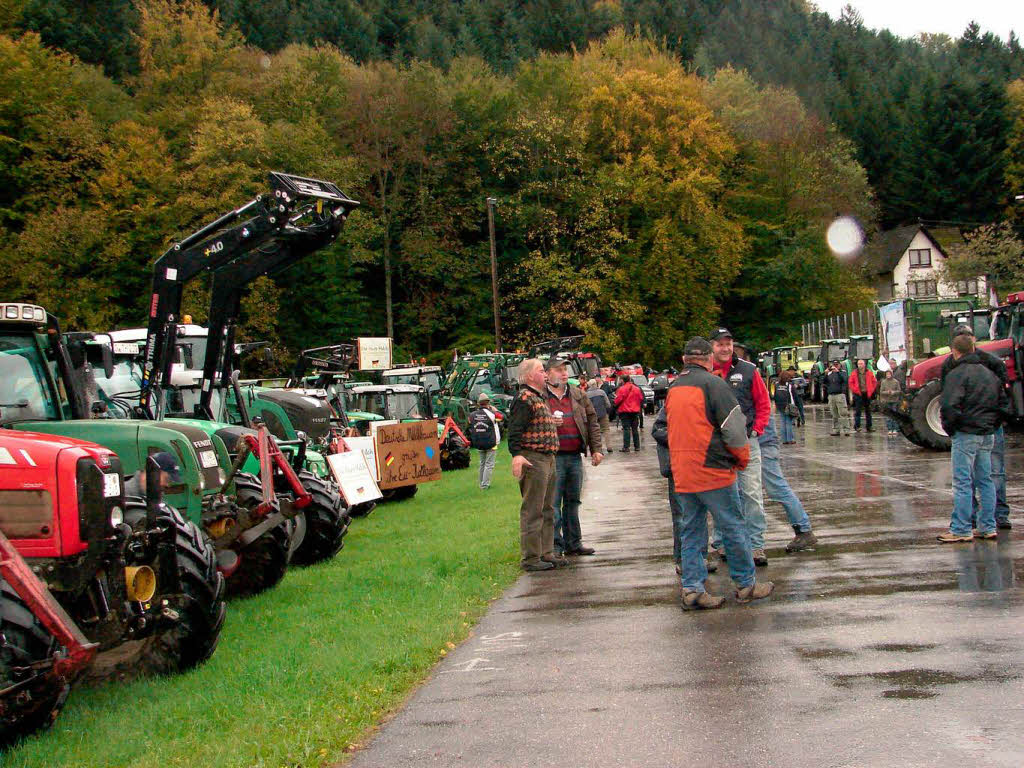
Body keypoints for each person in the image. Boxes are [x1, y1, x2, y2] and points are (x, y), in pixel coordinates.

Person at [659, 336, 773, 609]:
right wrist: (741, 459)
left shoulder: (674, 388)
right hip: (713, 469)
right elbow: (734, 429)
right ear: (709, 359)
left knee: (692, 531)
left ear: (684, 360)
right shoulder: (714, 385)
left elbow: (664, 429)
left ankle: (693, 589)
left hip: (683, 472)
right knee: (733, 527)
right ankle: (746, 585)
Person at [708, 328, 771, 567]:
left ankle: (756, 545)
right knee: (723, 496)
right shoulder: (706, 373)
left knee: (752, 494)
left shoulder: (748, 370)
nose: (725, 348)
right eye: (720, 344)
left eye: (729, 343)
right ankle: (722, 543)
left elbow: (763, 403)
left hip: (747, 443)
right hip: (718, 446)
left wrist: (757, 429)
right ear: (711, 347)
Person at [941, 324, 1012, 530]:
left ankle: (978, 520)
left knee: (974, 477)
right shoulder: (977, 364)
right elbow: (1003, 398)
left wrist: (952, 427)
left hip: (972, 428)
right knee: (987, 477)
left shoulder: (988, 363)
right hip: (986, 427)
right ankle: (984, 521)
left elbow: (948, 402)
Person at [544, 359, 604, 558]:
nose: (563, 374)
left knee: (573, 501)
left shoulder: (578, 394)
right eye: (559, 370)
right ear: (547, 373)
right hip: (553, 457)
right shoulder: (540, 396)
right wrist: (549, 423)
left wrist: (597, 449)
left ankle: (573, 543)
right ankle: (555, 546)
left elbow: (592, 421)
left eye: (565, 370)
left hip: (574, 455)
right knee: (553, 503)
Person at [506, 359, 561, 571]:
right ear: (529, 376)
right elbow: (515, 429)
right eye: (541, 370)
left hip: (547, 457)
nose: (546, 374)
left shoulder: (539, 397)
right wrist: (517, 455)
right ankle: (530, 558)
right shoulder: (524, 398)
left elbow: (531, 424)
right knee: (533, 509)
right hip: (534, 458)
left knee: (548, 508)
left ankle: (546, 552)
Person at [759, 418, 817, 552]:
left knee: (777, 488)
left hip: (762, 444)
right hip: (764, 442)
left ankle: (804, 529)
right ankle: (803, 529)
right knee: (777, 488)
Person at [468, 392, 501, 489]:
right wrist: (495, 410)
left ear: (478, 403)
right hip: (491, 442)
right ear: (488, 403)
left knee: (482, 463)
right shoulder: (492, 414)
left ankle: (481, 483)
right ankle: (485, 485)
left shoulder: (472, 415)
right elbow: (502, 417)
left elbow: (470, 422)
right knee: (489, 464)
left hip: (478, 442)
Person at [614, 374, 643, 452]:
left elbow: (617, 400)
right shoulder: (637, 389)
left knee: (626, 429)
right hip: (635, 411)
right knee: (635, 429)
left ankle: (626, 447)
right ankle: (637, 446)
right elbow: (641, 398)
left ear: (623, 380)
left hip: (624, 411)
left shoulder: (621, 389)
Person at [585, 377, 614, 453]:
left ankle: (598, 449)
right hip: (603, 413)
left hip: (593, 415)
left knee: (595, 431)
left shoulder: (586, 394)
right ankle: (609, 447)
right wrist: (606, 410)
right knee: (606, 430)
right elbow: (608, 404)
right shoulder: (602, 392)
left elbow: (585, 406)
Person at [848, 358, 877, 432]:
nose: (860, 365)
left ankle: (869, 426)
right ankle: (857, 426)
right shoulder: (854, 373)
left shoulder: (869, 372)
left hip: (867, 394)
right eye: (858, 364)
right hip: (858, 394)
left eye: (861, 364)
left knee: (868, 411)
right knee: (858, 411)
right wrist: (855, 390)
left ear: (864, 364)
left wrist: (871, 390)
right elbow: (851, 382)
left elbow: (874, 382)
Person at [825, 360, 851, 436]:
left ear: (840, 365)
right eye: (834, 365)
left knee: (843, 413)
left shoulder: (843, 372)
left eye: (837, 364)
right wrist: (826, 374)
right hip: (831, 395)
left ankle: (846, 430)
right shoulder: (830, 374)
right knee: (834, 414)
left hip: (840, 395)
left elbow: (844, 380)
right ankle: (836, 430)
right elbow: (824, 382)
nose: (835, 366)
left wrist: (837, 372)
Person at [773, 369, 798, 444]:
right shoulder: (790, 386)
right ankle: (790, 439)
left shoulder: (776, 385)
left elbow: (775, 395)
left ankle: (784, 440)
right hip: (788, 406)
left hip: (780, 405)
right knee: (789, 423)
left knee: (782, 422)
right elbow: (795, 396)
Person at [877, 369, 902, 436]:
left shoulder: (896, 382)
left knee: (894, 415)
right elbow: (881, 392)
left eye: (889, 374)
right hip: (886, 400)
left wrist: (894, 392)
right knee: (888, 416)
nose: (888, 375)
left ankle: (895, 429)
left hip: (894, 400)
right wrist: (887, 392)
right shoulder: (883, 382)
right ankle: (889, 429)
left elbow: (899, 391)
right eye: (887, 374)